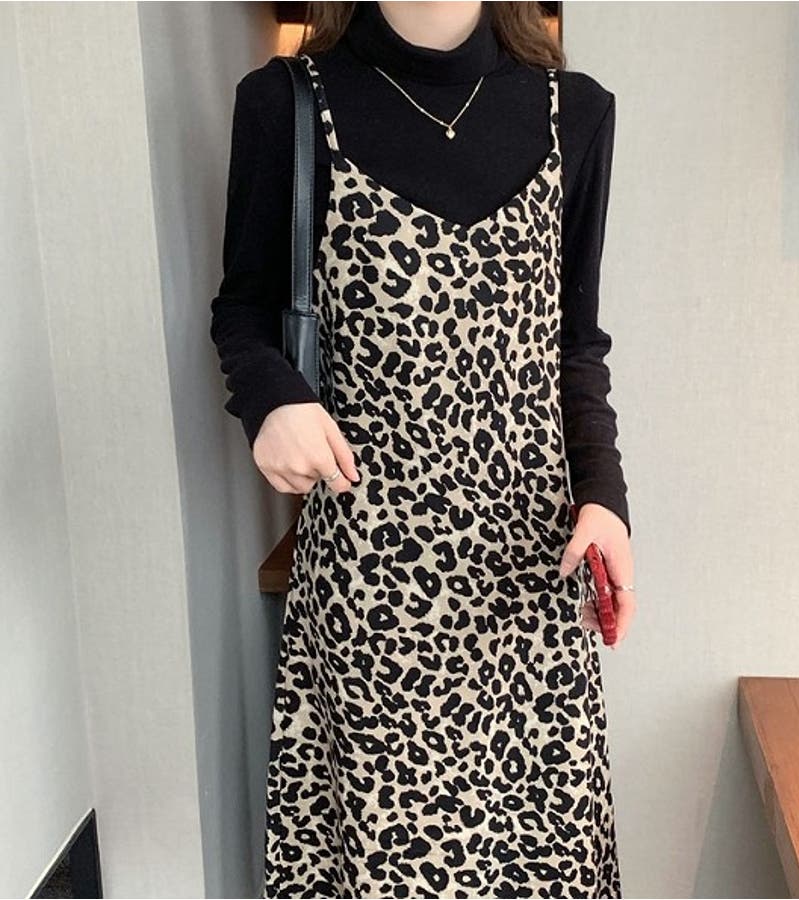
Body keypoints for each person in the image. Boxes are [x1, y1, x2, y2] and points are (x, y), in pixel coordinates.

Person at [209, 2, 637, 896]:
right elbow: (242, 311)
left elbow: (575, 345)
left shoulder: (577, 112)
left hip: (529, 583)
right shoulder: (287, 103)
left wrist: (606, 499)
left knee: (539, 867)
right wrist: (273, 401)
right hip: (374, 588)